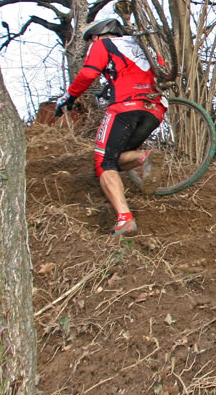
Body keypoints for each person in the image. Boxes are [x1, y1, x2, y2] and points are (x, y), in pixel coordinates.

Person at [54, 18, 166, 237]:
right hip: (155, 109)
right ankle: (145, 157)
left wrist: (68, 97)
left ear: (95, 35)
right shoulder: (143, 45)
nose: (89, 46)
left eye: (89, 41)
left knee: (103, 162)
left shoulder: (102, 45)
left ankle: (125, 219)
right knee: (118, 158)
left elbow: (88, 73)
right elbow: (159, 69)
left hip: (125, 107)